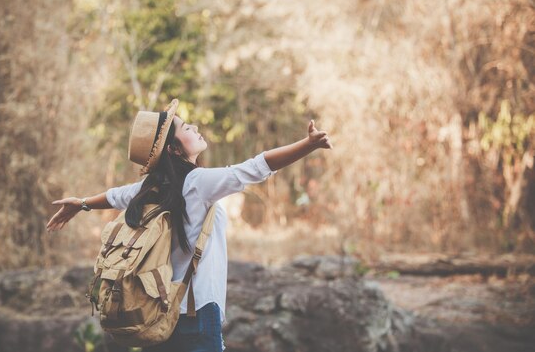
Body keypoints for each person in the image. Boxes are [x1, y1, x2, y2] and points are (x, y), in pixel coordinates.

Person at [46, 98, 332, 352]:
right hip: (197, 314)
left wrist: (81, 204)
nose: (194, 127)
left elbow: (113, 196)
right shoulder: (197, 183)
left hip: (155, 314)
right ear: (173, 148)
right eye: (185, 128)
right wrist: (308, 145)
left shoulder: (148, 188)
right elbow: (256, 167)